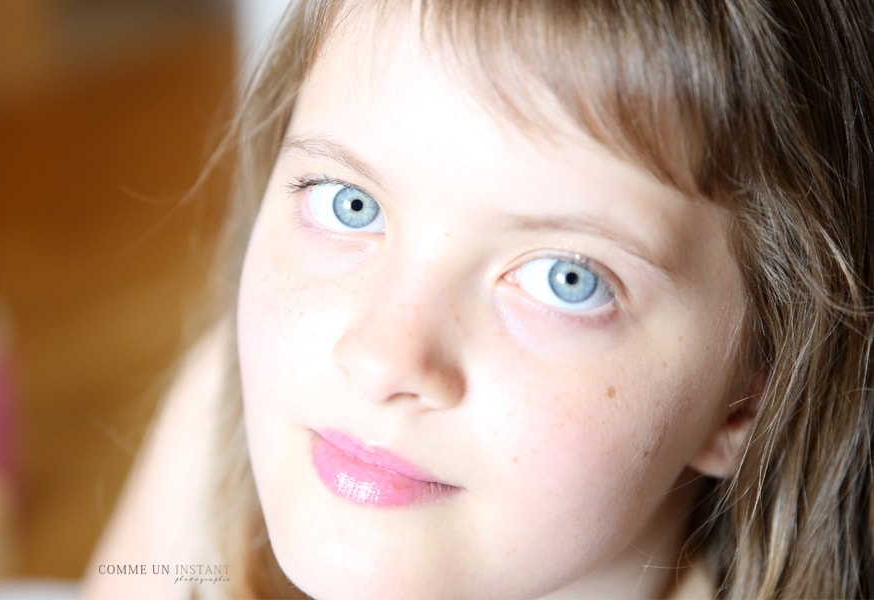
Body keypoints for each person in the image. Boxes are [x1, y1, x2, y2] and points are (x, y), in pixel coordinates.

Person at [81, 0, 874, 598]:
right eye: (347, 203)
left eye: (567, 278)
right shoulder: (213, 432)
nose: (382, 356)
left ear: (751, 391)